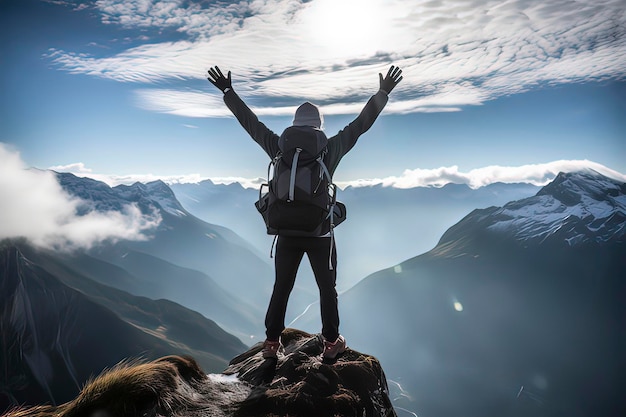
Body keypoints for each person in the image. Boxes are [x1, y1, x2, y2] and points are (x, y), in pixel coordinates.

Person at [207, 65, 403, 360]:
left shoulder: (278, 147)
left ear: (295, 124)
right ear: (318, 126)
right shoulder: (329, 148)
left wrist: (228, 92)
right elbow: (360, 125)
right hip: (319, 232)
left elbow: (251, 124)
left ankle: (271, 345)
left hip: (285, 230)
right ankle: (332, 343)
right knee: (327, 288)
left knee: (281, 288)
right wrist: (383, 93)